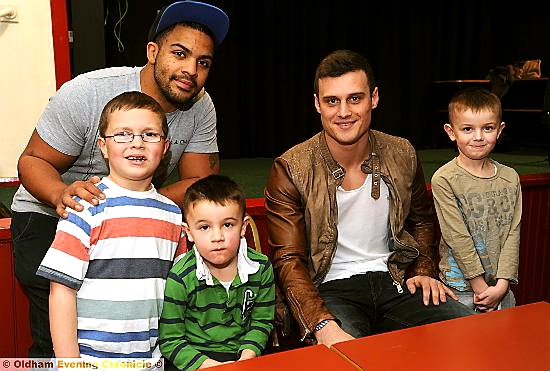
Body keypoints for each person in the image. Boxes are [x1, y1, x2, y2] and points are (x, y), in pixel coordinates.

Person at [10, 1, 229, 357]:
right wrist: (62, 193)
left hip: (128, 212)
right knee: (59, 335)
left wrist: (135, 201)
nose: (191, 70)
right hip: (49, 211)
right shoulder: (89, 92)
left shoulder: (200, 105)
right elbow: (32, 160)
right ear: (153, 52)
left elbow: (198, 181)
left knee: (139, 316)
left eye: (203, 62)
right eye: (180, 53)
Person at [264, 49, 474, 348]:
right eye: (332, 101)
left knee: (468, 330)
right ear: (317, 104)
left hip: (395, 279)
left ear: (373, 98)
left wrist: (424, 270)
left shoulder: (401, 153)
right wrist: (320, 323)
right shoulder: (291, 167)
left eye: (355, 98)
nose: (344, 112)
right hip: (328, 290)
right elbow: (288, 260)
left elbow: (422, 220)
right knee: (347, 357)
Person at [36, 91, 184, 367]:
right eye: (123, 134)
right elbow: (61, 291)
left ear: (165, 148)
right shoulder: (86, 207)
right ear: (103, 146)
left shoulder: (173, 216)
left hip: (150, 362)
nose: (137, 144)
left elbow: (178, 294)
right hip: (89, 361)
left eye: (149, 134)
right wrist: (71, 364)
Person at [159, 174, 275, 371]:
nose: (217, 237)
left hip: (244, 354)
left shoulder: (261, 267)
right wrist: (211, 366)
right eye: (204, 227)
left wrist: (247, 356)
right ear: (188, 232)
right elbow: (170, 340)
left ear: (243, 227)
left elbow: (262, 322)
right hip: (194, 358)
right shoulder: (181, 276)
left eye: (228, 225)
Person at [431, 87, 521, 312]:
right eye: (468, 129)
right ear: (451, 132)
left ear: (499, 130)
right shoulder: (445, 179)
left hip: (500, 288)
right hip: (461, 290)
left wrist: (502, 284)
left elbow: (513, 233)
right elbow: (456, 236)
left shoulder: (511, 178)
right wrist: (479, 287)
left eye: (487, 128)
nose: (478, 137)